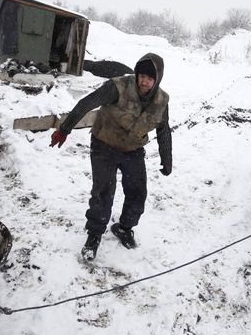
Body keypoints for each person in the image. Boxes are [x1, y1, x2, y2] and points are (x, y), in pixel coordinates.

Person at [49, 53, 172, 261]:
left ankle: (124, 228)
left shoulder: (161, 101)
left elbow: (163, 129)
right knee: (104, 192)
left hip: (132, 149)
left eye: (150, 79)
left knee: (137, 191)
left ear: (157, 80)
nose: (144, 81)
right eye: (142, 76)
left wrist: (166, 158)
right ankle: (94, 235)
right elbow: (87, 103)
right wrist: (65, 129)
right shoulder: (118, 87)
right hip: (104, 145)